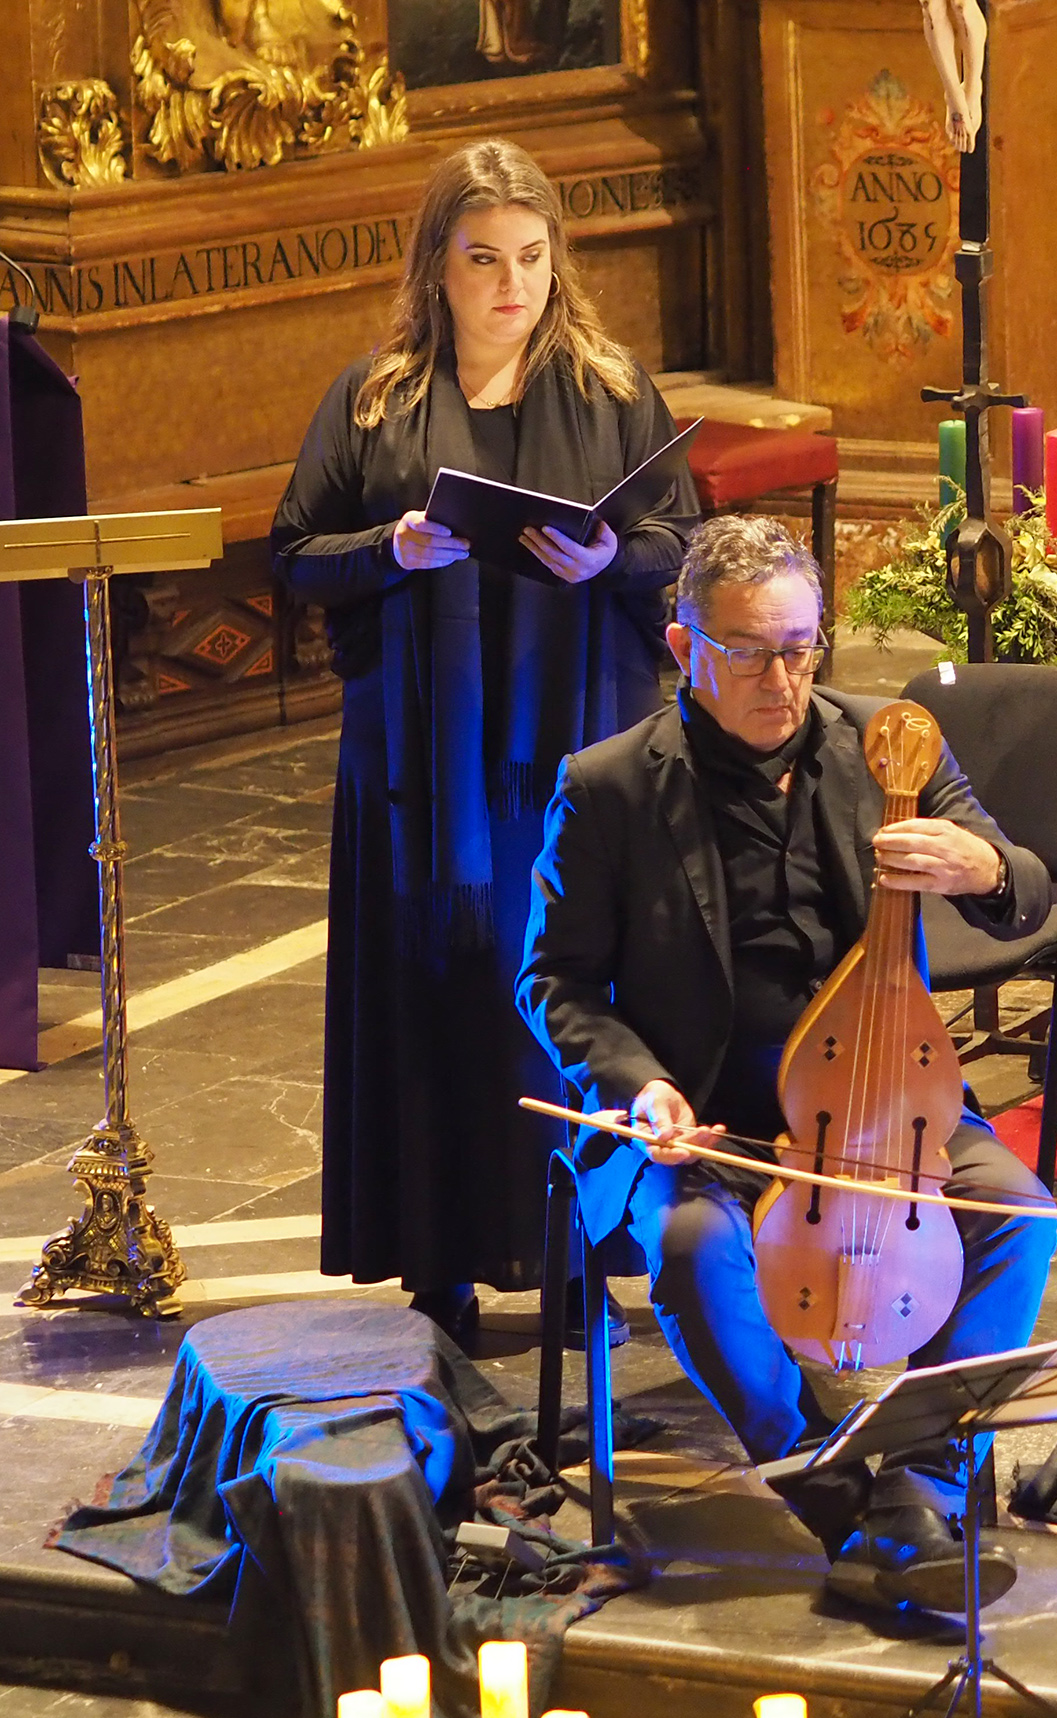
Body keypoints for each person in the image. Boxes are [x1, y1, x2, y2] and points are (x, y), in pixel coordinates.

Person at [518, 516, 1057, 1608]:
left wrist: (983, 861)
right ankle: (840, 1486)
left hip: (885, 1110)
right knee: (689, 1246)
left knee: (1016, 1210)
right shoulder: (611, 785)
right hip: (708, 1114)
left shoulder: (890, 748)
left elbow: (1028, 886)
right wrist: (642, 1087)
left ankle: (922, 1475)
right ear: (685, 649)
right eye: (753, 650)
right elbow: (554, 980)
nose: (785, 676)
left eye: (804, 646)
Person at [274, 139, 696, 1348]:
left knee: (566, 1000)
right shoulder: (375, 399)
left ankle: (578, 1265)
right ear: (437, 269)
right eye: (483, 260)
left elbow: (682, 539)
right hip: (422, 774)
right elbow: (293, 554)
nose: (512, 284)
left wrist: (616, 557)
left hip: (568, 762)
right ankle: (439, 1263)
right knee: (440, 1000)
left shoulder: (612, 392)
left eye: (530, 256)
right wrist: (388, 551)